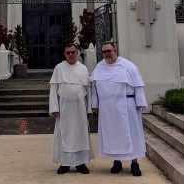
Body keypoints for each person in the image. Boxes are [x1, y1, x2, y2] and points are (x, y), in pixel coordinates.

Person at [90, 41, 147, 177]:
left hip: (127, 106)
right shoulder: (100, 67)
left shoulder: (128, 66)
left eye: (109, 51)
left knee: (132, 134)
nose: (107, 54)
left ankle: (134, 163)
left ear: (115, 51)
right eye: (104, 52)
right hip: (108, 108)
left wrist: (140, 102)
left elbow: (138, 85)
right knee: (113, 134)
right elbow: (93, 88)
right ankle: (117, 162)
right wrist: (95, 104)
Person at [49, 43, 94, 174]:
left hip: (80, 108)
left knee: (81, 135)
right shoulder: (59, 68)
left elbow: (88, 90)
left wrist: (89, 109)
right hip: (63, 109)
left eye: (73, 52)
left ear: (77, 53)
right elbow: (53, 89)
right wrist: (54, 107)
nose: (71, 55)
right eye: (68, 53)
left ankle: (81, 163)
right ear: (65, 54)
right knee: (64, 134)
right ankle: (65, 163)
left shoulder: (83, 68)